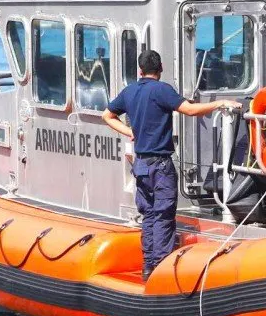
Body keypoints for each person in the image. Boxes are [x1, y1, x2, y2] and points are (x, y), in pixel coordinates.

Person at [102, 49, 240, 281]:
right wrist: (221, 103)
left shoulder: (129, 91)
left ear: (140, 70)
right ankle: (161, 268)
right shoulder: (162, 90)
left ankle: (148, 266)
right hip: (160, 165)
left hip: (141, 165)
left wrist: (129, 132)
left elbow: (107, 115)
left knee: (148, 215)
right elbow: (189, 109)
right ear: (161, 69)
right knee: (164, 215)